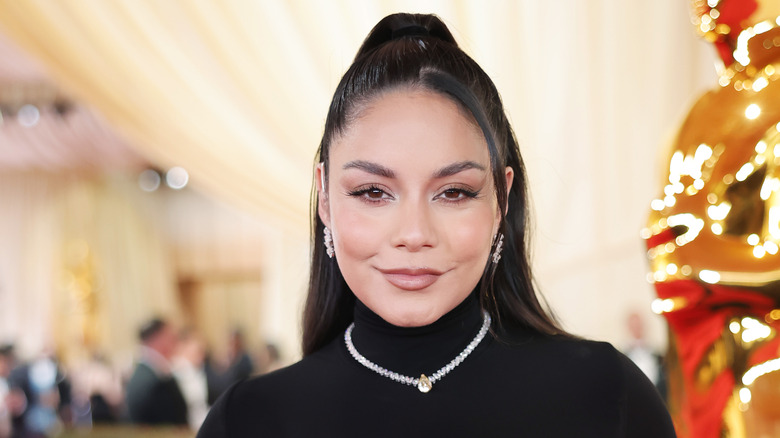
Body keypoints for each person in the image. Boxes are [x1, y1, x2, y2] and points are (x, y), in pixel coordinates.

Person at [198, 13, 675, 437]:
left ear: (501, 200)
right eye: (373, 192)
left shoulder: (608, 396)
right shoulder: (247, 421)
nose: (414, 233)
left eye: (454, 192)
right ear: (324, 195)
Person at [125, 317, 188, 427]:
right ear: (159, 338)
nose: (176, 342)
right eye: (171, 337)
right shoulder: (152, 381)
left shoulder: (147, 372)